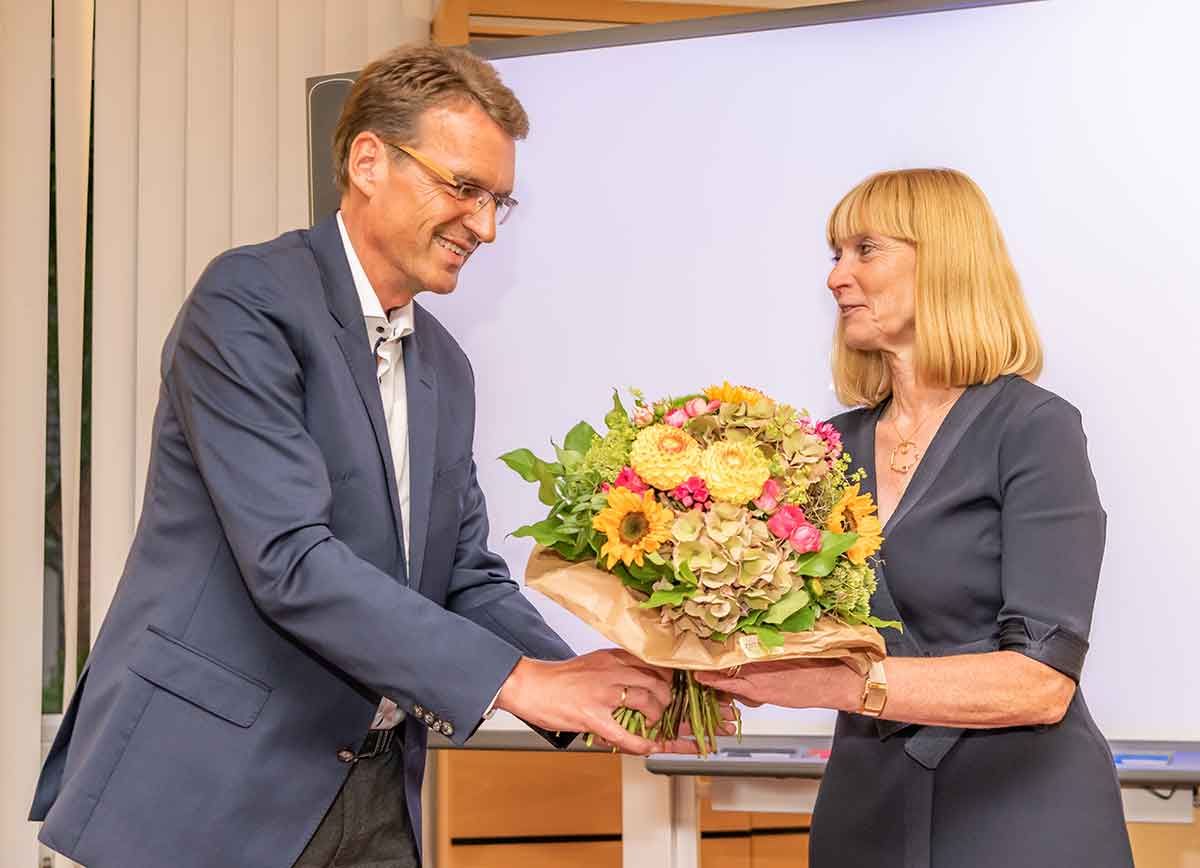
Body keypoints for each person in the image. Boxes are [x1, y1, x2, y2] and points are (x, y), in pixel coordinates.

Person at [31, 45, 679, 868]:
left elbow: (463, 577)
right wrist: (519, 681)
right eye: (464, 188)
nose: (482, 225)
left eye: (497, 202)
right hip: (214, 787)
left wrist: (584, 682)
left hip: (375, 789)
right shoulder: (248, 302)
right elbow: (289, 560)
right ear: (368, 161)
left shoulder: (445, 364)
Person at [698, 168, 1133, 868]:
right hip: (863, 814)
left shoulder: (1034, 428)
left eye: (865, 249)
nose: (837, 277)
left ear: (946, 261)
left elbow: (1042, 683)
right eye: (834, 253)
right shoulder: (822, 451)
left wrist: (837, 685)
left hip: (1025, 816)